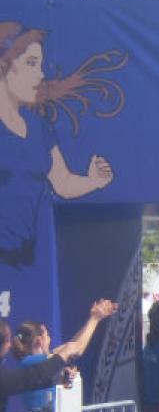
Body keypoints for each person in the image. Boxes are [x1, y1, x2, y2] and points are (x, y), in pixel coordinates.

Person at [0, 21, 125, 267]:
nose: (41, 74)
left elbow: (63, 183)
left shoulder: (38, 127)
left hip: (24, 258)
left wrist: (95, 181)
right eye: (31, 63)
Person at [0, 298, 117, 412]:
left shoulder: (41, 360)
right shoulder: (31, 362)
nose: (50, 339)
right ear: (39, 340)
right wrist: (95, 319)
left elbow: (71, 346)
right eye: (47, 335)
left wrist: (93, 318)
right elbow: (75, 350)